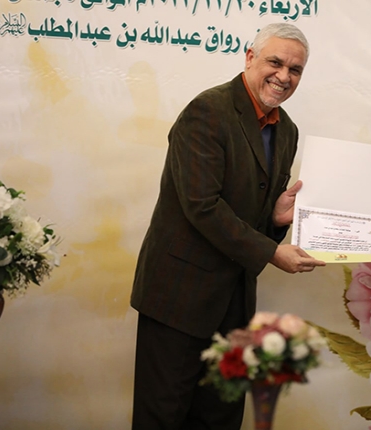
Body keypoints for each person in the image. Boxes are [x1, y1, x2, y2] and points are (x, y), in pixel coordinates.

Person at [130, 23, 325, 430]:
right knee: (163, 417)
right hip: (178, 299)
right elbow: (201, 206)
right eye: (275, 62)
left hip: (234, 302)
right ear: (250, 57)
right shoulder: (207, 111)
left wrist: (275, 220)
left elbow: (249, 213)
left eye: (295, 69)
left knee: (220, 418)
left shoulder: (287, 130)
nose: (284, 76)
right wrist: (272, 252)